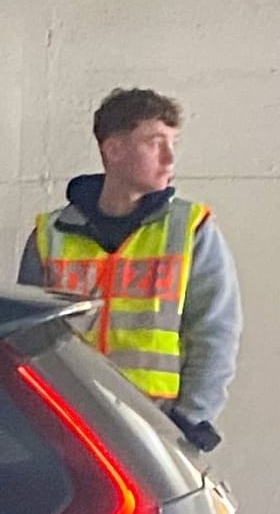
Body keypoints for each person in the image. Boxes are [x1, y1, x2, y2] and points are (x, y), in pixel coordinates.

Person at [19, 88, 242, 448]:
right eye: (155, 143)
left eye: (173, 143)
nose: (169, 158)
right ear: (114, 149)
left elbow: (215, 333)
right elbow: (26, 339)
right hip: (70, 426)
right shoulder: (50, 235)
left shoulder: (191, 230)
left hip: (159, 429)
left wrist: (191, 419)